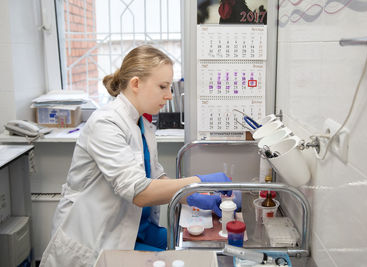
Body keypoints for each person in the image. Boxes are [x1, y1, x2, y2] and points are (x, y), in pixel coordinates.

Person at [39, 45, 232, 267]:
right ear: (136, 84)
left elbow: (156, 178)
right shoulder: (106, 123)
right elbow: (139, 192)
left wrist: (195, 195)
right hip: (97, 239)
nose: (169, 95)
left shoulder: (143, 125)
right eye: (163, 86)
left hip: (136, 231)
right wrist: (199, 182)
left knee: (192, 252)